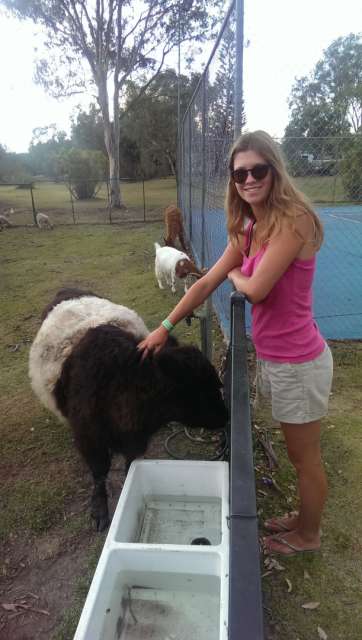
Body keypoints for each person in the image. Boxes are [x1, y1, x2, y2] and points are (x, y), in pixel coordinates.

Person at [138, 130, 333, 556]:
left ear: (273, 170)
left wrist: (234, 274)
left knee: (305, 459)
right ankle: (302, 519)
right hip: (278, 359)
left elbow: (256, 288)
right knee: (298, 453)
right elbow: (205, 280)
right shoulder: (250, 228)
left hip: (299, 363)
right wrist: (164, 327)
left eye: (256, 170)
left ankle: (308, 536)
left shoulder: (293, 219)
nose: (247, 179)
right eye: (239, 173)